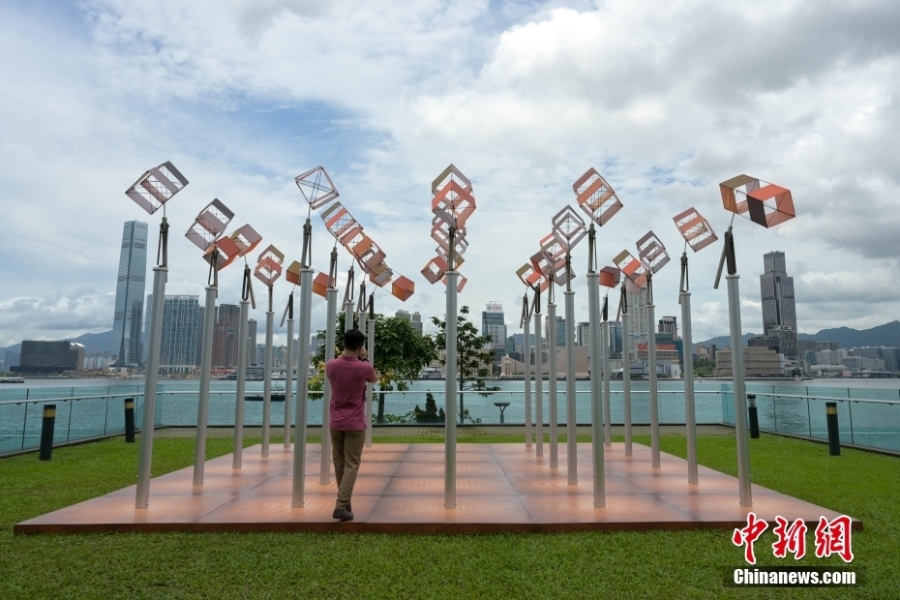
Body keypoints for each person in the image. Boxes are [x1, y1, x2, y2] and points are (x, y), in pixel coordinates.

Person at [326, 328, 377, 521]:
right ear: (361, 346)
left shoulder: (331, 365)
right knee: (352, 464)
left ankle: (345, 503)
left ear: (343, 343)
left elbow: (330, 378)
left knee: (339, 463)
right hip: (354, 424)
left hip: (335, 423)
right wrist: (363, 359)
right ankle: (341, 505)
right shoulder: (364, 367)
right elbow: (374, 379)